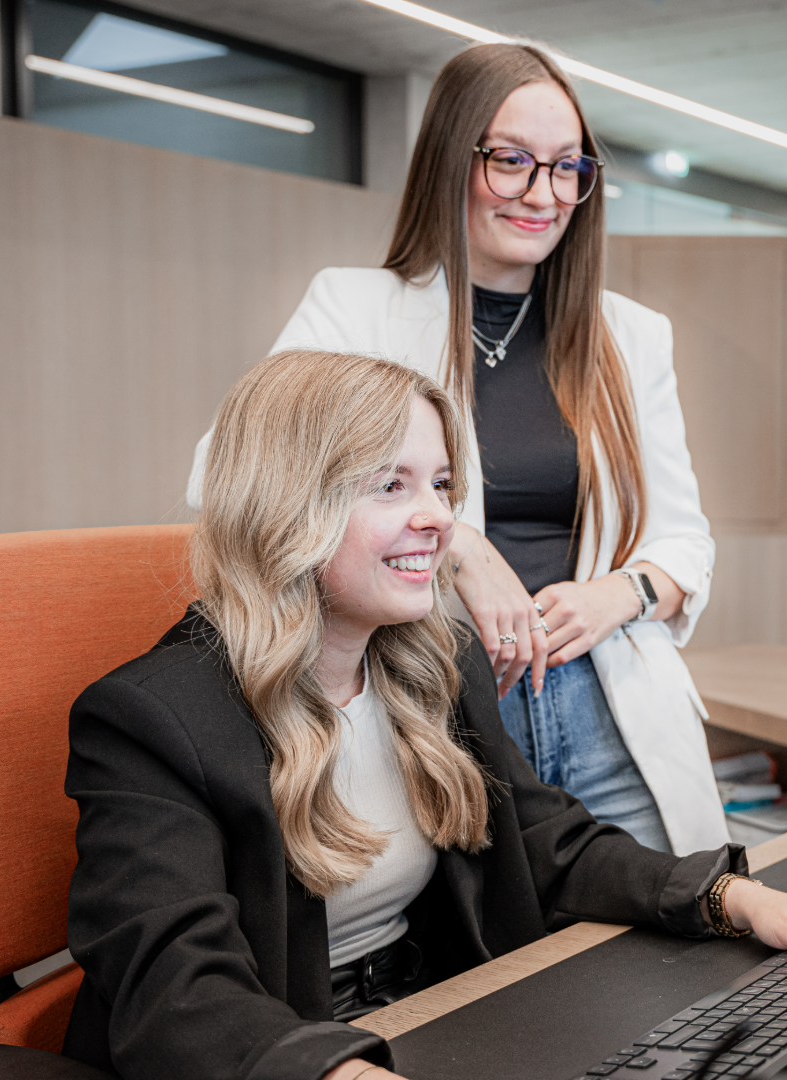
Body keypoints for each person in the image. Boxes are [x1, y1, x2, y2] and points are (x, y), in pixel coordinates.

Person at [64, 351, 787, 1080]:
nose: (438, 519)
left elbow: (541, 843)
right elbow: (178, 993)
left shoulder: (433, 664)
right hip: (288, 1055)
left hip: (431, 1015)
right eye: (391, 485)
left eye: (441, 484)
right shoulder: (149, 720)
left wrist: (732, 898)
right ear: (288, 503)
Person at [185, 42, 718, 856]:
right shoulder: (356, 308)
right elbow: (225, 475)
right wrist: (457, 543)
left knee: (666, 918)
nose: (543, 195)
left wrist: (620, 594)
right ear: (452, 158)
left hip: (608, 704)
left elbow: (685, 541)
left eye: (567, 167)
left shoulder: (631, 336)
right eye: (511, 161)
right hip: (437, 704)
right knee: (489, 933)